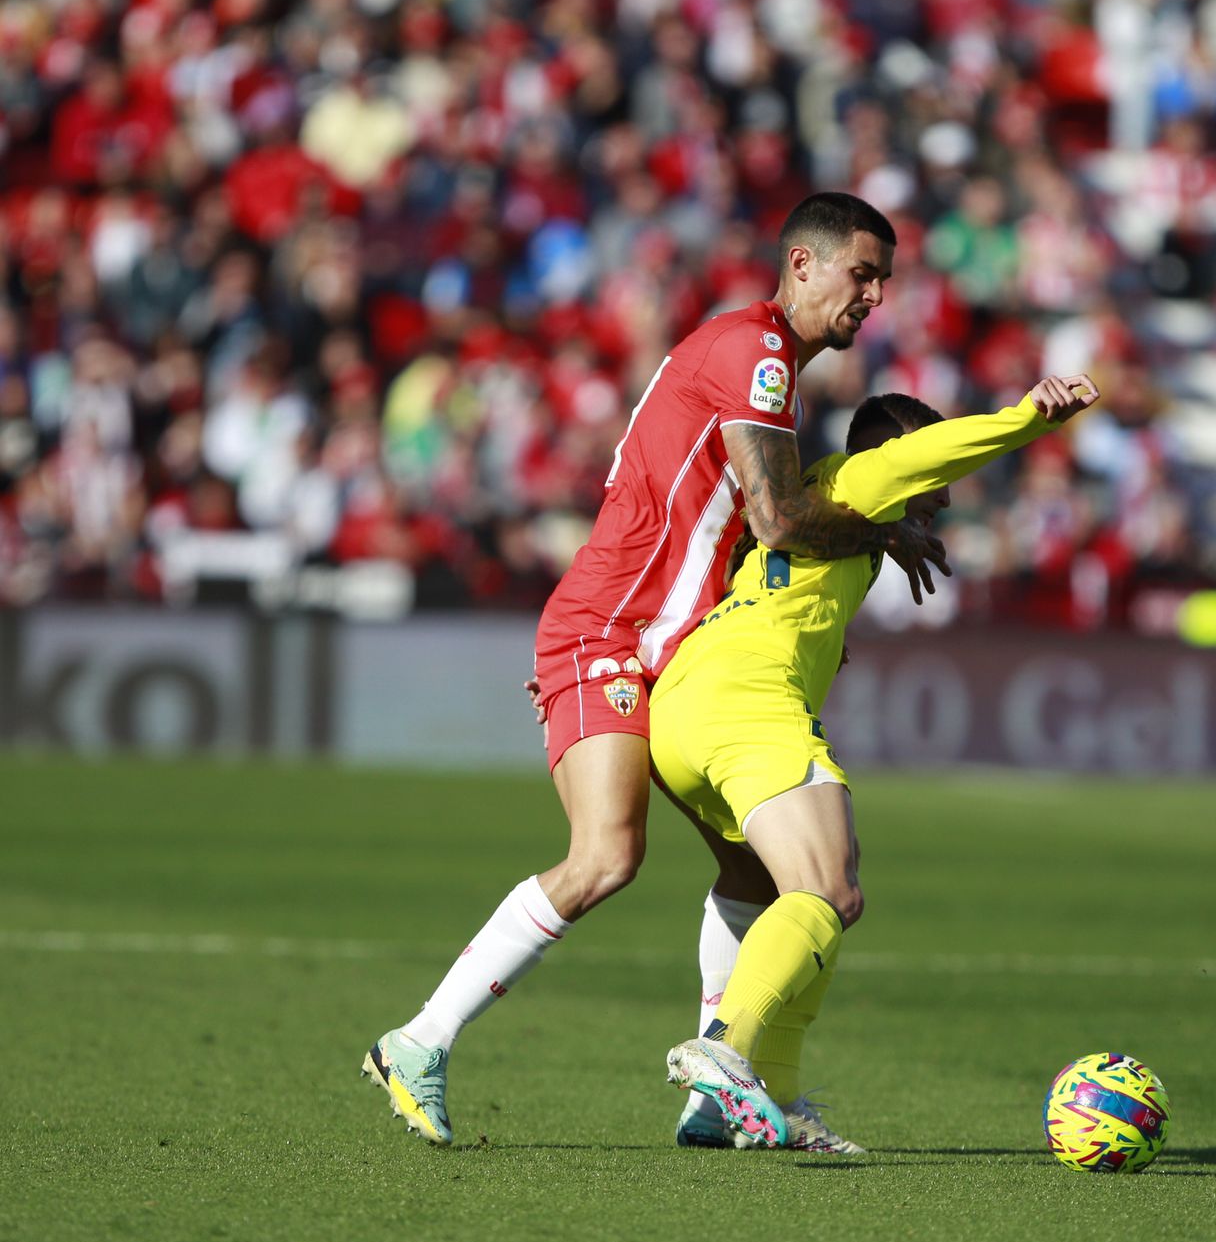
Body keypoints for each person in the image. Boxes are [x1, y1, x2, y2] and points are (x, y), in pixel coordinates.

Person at [361, 193, 946, 1145]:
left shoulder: (769, 366)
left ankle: (717, 1087)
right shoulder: (756, 354)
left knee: (756, 867)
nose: (874, 295)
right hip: (612, 627)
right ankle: (418, 1041)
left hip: (661, 643)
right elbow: (778, 518)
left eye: (883, 279)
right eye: (862, 273)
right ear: (802, 265)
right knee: (608, 855)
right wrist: (883, 526)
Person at [654, 374, 1101, 1150]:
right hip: (746, 701)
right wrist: (1030, 417)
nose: (947, 498)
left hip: (686, 708)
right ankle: (725, 1048)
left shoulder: (827, 498)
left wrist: (890, 536)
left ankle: (777, 1102)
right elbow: (946, 448)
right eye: (933, 480)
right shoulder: (867, 473)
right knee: (827, 886)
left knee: (820, 891)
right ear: (900, 457)